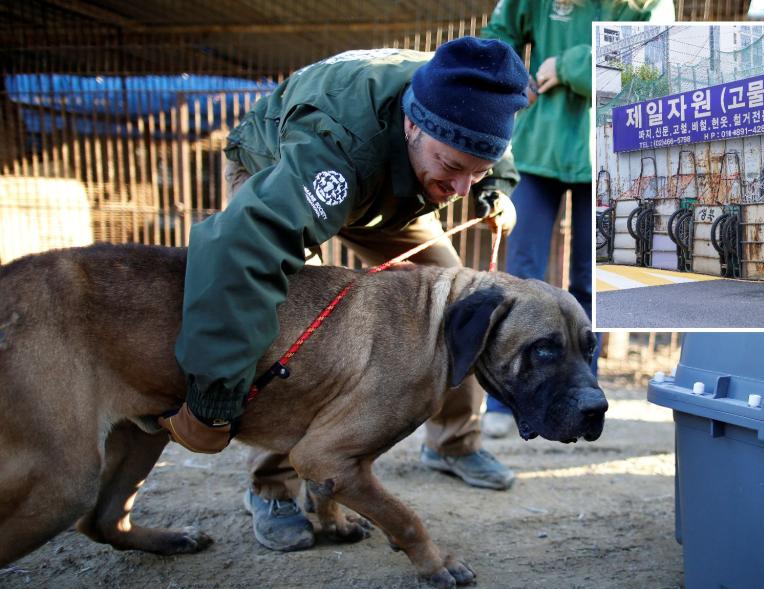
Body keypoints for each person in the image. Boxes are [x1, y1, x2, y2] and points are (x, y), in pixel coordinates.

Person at [157, 38, 531, 552]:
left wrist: (495, 189)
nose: (462, 188)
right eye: (453, 167)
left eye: (477, 169)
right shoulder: (333, 148)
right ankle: (273, 487)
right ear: (413, 124)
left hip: (396, 190)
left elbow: (490, 147)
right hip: (280, 168)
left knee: (458, 302)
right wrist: (210, 399)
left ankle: (453, 444)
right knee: (291, 323)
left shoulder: (476, 95)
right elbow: (238, 259)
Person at [478, 0, 675, 438]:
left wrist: (565, 64)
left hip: (607, 149)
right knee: (519, 278)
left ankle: (582, 401)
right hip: (536, 147)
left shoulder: (646, 5)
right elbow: (498, 34)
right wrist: (511, 79)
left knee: (593, 285)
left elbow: (647, 66)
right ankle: (502, 398)